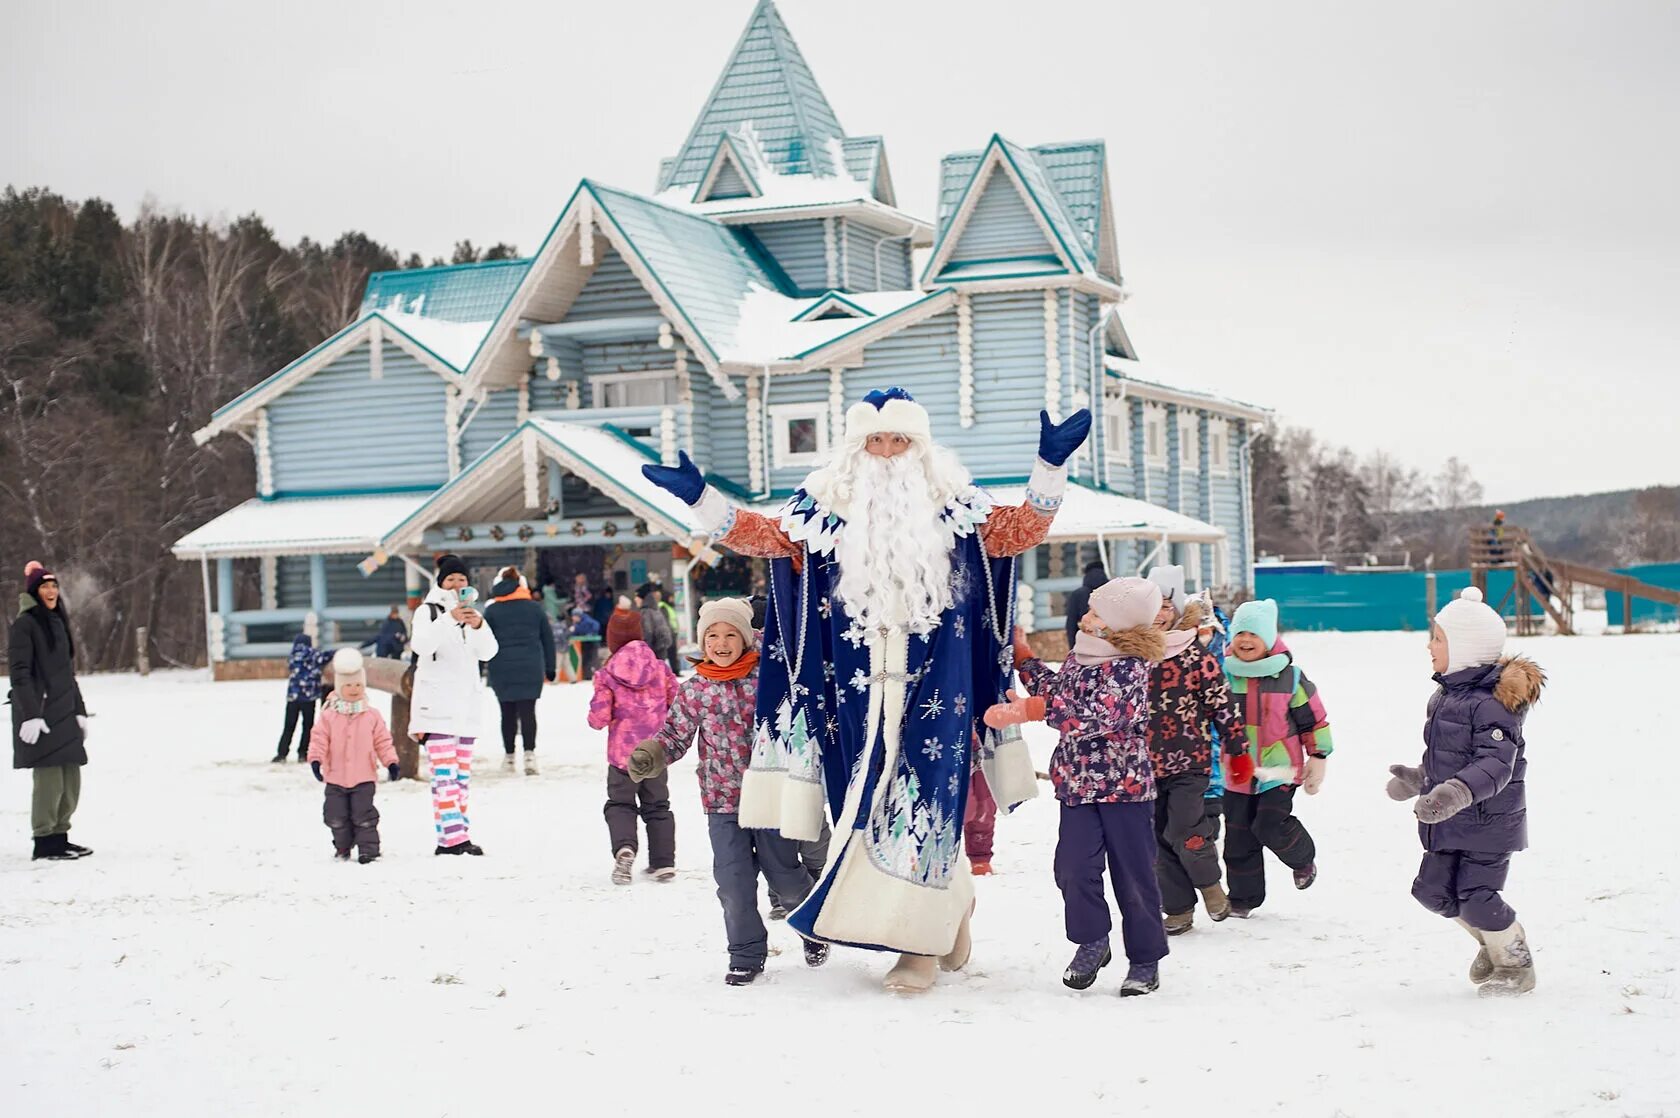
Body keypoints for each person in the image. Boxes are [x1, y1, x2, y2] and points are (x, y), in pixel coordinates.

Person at [644, 385, 1085, 993]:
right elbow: (761, 536)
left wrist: (1051, 467)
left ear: (919, 445)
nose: (886, 451)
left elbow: (1024, 529)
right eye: (875, 439)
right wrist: (700, 497)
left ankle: (918, 948)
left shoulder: (956, 507)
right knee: (864, 807)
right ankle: (948, 908)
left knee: (925, 805)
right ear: (855, 446)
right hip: (851, 695)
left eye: (898, 439)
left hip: (941, 689)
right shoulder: (823, 512)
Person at [628, 598, 829, 984]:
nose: (721, 643)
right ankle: (745, 954)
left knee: (785, 877)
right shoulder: (697, 689)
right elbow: (675, 734)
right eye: (713, 636)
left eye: (730, 634)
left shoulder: (768, 679)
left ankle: (811, 925)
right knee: (733, 883)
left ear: (745, 638)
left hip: (769, 796)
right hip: (721, 801)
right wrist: (651, 753)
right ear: (703, 642)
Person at [990, 576, 1169, 996]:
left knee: (1135, 877)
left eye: (1095, 613)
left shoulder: (1130, 665)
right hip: (1077, 786)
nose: (1085, 618)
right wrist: (1026, 661)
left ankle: (1144, 960)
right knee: (1072, 868)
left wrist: (1030, 711)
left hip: (1125, 790)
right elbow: (1061, 693)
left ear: (1118, 625)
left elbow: (1099, 716)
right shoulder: (1082, 655)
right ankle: (1092, 940)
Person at [1388, 587, 1543, 996]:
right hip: (1451, 819)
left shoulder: (1493, 704)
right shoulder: (1445, 696)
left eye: (1437, 638)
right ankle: (1494, 944)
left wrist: (1451, 794)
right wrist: (1418, 779)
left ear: (1464, 648)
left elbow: (1495, 765)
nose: (1429, 645)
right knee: (1432, 891)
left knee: (1477, 897)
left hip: (1489, 822)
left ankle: (1515, 963)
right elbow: (1449, 759)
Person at [1143, 566, 1246, 936]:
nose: (1160, 613)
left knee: (1186, 828)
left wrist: (1239, 748)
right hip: (1143, 767)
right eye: (1153, 605)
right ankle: (1178, 908)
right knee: (1157, 837)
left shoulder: (1193, 653)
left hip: (1189, 762)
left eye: (1166, 605)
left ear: (1178, 608)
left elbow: (1222, 702)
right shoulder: (1131, 655)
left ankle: (1209, 885)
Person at [1220, 599, 1332, 916]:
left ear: (1268, 638)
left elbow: (1314, 720)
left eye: (1253, 634)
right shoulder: (1223, 676)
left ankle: (1302, 859)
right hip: (1236, 769)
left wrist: (1318, 755)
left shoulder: (1290, 677)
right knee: (1238, 838)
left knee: (1269, 824)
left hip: (1279, 768)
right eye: (1240, 633)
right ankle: (1243, 899)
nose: (1245, 640)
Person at [409, 554, 499, 856]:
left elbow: (488, 653)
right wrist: (449, 619)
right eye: (451, 579)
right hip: (436, 708)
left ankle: (455, 835)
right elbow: (421, 646)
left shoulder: (473, 613)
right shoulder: (428, 611)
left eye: (462, 579)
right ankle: (453, 839)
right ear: (441, 582)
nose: (457, 584)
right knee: (444, 776)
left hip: (466, 708)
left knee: (460, 777)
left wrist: (479, 626)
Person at [588, 603, 679, 883]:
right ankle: (663, 863)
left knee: (620, 804)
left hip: (622, 756)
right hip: (655, 752)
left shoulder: (607, 674)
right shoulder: (660, 668)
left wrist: (594, 715)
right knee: (658, 806)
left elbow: (599, 718)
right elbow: (676, 702)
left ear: (612, 639)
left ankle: (625, 848)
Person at [10, 563, 92, 861]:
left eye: (54, 586)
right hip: (41, 713)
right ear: (34, 591)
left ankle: (60, 836)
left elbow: (67, 673)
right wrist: (31, 713)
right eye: (45, 586)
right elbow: (19, 673)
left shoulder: (57, 621)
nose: (51, 591)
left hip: (64, 711)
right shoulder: (25, 624)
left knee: (70, 780)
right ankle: (44, 840)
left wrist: (80, 710)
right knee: (49, 782)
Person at [307, 648, 399, 863]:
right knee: (335, 816)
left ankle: (369, 850)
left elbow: (382, 741)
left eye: (358, 684)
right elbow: (319, 739)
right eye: (348, 685)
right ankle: (343, 846)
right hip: (335, 777)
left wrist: (391, 762)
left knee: (364, 816)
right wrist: (316, 760)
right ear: (339, 687)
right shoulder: (329, 716)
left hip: (364, 776)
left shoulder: (371, 715)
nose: (354, 689)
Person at [483, 565, 555, 776]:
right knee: (528, 712)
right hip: (530, 666)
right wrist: (550, 668)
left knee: (506, 713)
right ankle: (530, 755)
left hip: (501, 667)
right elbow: (547, 639)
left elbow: (482, 640)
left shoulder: (492, 610)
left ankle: (509, 757)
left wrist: (479, 667)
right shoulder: (534, 608)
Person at [275, 631, 333, 763]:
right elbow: (328, 655)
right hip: (309, 697)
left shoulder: (292, 657)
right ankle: (302, 753)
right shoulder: (314, 656)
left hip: (293, 697)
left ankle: (282, 753)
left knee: (289, 726)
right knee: (307, 726)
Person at [1063, 560, 1107, 651]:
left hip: (1084, 640)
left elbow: (1071, 623)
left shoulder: (1077, 594)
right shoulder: (1110, 592)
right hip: (1107, 641)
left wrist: (1073, 648)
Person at [637, 589, 677, 671]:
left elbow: (648, 632)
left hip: (655, 646)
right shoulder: (656, 609)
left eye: (637, 597)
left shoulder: (646, 612)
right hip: (662, 644)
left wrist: (645, 650)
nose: (635, 599)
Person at [571, 606, 602, 679]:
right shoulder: (576, 623)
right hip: (584, 643)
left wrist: (591, 633)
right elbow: (576, 632)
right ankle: (587, 676)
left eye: (574, 616)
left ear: (578, 616)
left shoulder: (587, 620)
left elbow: (596, 625)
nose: (573, 618)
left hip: (592, 642)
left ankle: (600, 676)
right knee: (585, 659)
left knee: (594, 659)